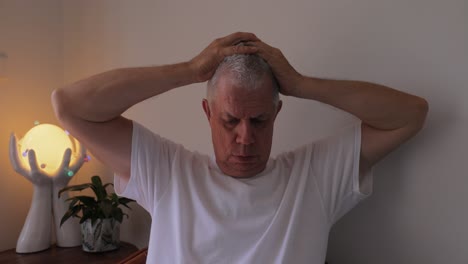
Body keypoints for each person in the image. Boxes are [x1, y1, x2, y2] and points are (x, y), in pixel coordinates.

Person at [51, 32, 428, 263]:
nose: (246, 138)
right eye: (230, 121)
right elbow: (69, 105)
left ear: (277, 113)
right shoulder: (168, 170)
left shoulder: (313, 176)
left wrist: (300, 83)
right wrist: (191, 69)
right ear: (208, 113)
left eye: (260, 121)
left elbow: (410, 114)